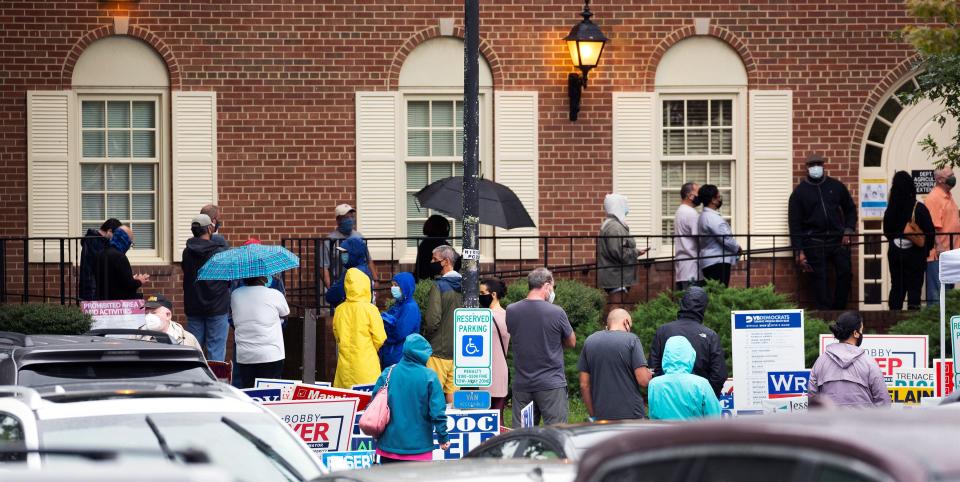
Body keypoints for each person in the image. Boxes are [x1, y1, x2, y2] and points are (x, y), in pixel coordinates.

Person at [506, 268, 576, 427]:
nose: (553, 290)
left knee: (523, 435)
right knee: (556, 433)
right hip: (551, 385)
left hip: (523, 384)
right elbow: (571, 342)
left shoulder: (511, 310)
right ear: (546, 285)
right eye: (553, 287)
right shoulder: (556, 312)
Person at [788, 154, 857, 310]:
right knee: (819, 280)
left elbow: (850, 209)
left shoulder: (836, 186)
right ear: (807, 168)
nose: (816, 167)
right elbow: (795, 225)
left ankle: (839, 309)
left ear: (823, 165)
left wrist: (848, 229)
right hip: (813, 242)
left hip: (837, 240)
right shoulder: (799, 193)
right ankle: (824, 313)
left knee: (845, 273)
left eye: (818, 164)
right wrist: (799, 251)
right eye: (812, 165)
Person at [370, 334, 451, 463]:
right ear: (424, 355)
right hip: (419, 448)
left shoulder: (388, 373)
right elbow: (437, 412)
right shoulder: (429, 376)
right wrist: (443, 437)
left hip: (389, 446)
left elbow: (374, 404)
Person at [648, 286, 727, 398]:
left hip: (667, 398)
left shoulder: (663, 331)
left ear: (682, 303)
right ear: (704, 307)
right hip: (698, 400)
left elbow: (652, 369)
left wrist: (663, 393)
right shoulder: (710, 336)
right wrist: (706, 396)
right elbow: (719, 375)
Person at [578, 309, 652, 421]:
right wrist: (648, 374)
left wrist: (593, 414)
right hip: (632, 414)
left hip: (602, 415)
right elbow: (643, 381)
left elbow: (584, 385)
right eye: (630, 325)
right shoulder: (632, 339)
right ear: (626, 322)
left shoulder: (590, 341)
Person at [808, 311, 891, 407]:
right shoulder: (869, 362)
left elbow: (813, 400)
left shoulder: (820, 362)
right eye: (861, 330)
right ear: (856, 333)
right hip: (864, 421)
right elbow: (884, 402)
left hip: (830, 421)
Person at [181, 214, 231, 362]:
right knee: (215, 353)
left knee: (194, 352)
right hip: (217, 307)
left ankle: (195, 382)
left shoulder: (186, 252)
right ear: (210, 228)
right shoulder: (218, 253)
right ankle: (215, 383)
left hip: (194, 306)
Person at [883, 171, 935, 310]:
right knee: (914, 288)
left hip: (895, 252)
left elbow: (887, 232)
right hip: (915, 253)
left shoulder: (891, 209)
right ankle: (913, 321)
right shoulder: (918, 207)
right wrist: (925, 249)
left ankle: (893, 319)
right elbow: (930, 233)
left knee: (897, 287)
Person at [230, 276, 290, 388]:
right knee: (270, 395)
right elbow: (285, 313)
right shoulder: (275, 294)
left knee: (249, 393)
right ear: (263, 278)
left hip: (245, 356)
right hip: (271, 354)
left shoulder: (235, 295)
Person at [333, 268, 387, 388]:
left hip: (344, 368)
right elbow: (380, 338)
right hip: (366, 366)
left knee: (346, 402)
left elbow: (337, 336)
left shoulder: (339, 310)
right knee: (368, 403)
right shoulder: (370, 310)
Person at [648, 336, 722, 420]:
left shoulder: (654, 384)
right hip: (694, 433)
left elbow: (653, 416)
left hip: (663, 433)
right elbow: (715, 417)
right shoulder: (701, 384)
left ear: (666, 355)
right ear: (690, 355)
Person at [423, 245, 462, 402]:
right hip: (461, 351)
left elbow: (432, 321)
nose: (431, 262)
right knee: (453, 398)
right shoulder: (468, 287)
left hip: (438, 350)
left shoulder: (438, 286)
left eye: (434, 259)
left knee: (434, 396)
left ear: (445, 261)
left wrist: (427, 337)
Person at [597, 194, 649, 304]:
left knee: (619, 307)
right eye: (625, 205)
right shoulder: (614, 228)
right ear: (617, 206)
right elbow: (618, 252)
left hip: (617, 275)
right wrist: (635, 252)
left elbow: (619, 249)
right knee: (617, 307)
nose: (627, 208)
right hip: (616, 276)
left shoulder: (614, 225)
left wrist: (636, 253)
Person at [321, 204, 378, 291]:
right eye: (346, 217)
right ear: (338, 220)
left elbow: (368, 260)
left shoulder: (359, 237)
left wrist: (376, 281)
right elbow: (324, 268)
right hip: (339, 284)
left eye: (351, 217)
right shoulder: (329, 241)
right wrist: (331, 289)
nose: (350, 220)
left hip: (360, 284)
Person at [924, 167, 960, 305]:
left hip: (950, 254)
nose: (953, 177)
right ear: (940, 180)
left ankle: (946, 324)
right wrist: (939, 248)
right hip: (939, 255)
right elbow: (932, 227)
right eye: (949, 175)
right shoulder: (934, 198)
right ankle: (935, 325)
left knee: (948, 296)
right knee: (937, 295)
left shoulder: (949, 196)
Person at [697, 184, 740, 287]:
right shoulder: (713, 218)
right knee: (719, 294)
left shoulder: (704, 216)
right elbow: (726, 239)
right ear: (713, 200)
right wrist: (737, 248)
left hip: (710, 260)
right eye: (719, 196)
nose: (720, 199)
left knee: (713, 294)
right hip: (717, 262)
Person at [480, 278, 510, 417]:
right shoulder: (508, 316)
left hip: (481, 373)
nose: (480, 297)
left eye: (482, 293)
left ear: (492, 295)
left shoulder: (480, 317)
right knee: (498, 417)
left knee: (482, 419)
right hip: (500, 370)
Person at [94, 225, 149, 300]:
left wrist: (131, 279)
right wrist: (139, 280)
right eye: (130, 243)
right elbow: (128, 284)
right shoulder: (120, 257)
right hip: (119, 304)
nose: (129, 247)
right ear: (124, 241)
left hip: (102, 302)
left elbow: (113, 279)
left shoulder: (100, 254)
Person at [379, 272, 421, 367]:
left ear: (405, 287)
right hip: (393, 356)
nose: (393, 288)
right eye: (392, 285)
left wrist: (385, 334)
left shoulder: (410, 307)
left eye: (396, 285)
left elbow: (399, 333)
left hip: (401, 358)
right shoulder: (398, 305)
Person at [325, 236, 373, 309]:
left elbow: (332, 296)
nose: (342, 255)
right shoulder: (365, 270)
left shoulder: (351, 273)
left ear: (353, 254)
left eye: (344, 253)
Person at [79, 218, 121, 301]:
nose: (115, 239)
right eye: (115, 235)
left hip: (92, 286)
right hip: (92, 287)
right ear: (109, 231)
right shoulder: (95, 241)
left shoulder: (95, 240)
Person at [414, 215, 461, 280]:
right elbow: (455, 261)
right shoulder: (433, 243)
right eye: (446, 227)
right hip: (429, 280)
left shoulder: (427, 242)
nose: (447, 230)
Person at [674, 183, 701, 290]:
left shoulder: (679, 211)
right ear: (690, 196)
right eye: (698, 193)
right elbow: (699, 238)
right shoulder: (691, 213)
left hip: (682, 266)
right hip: (691, 266)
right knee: (693, 302)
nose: (700, 196)